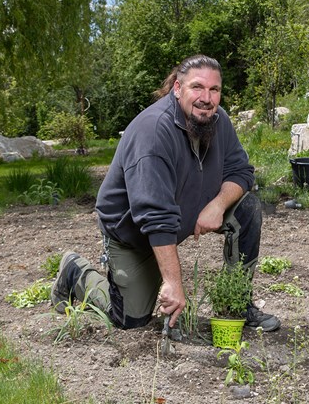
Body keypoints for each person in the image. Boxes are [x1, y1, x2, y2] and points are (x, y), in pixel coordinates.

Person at [51, 54, 280, 332]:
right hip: (132, 235)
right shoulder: (153, 132)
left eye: (214, 90)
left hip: (177, 216)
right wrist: (173, 282)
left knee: (247, 208)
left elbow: (241, 172)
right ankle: (76, 271)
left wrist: (218, 205)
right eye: (197, 87)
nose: (206, 98)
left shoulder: (218, 121)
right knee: (130, 320)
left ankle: (237, 305)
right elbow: (155, 215)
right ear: (177, 88)